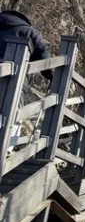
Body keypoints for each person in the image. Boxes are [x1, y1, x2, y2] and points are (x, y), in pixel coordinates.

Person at [0, 10, 52, 148]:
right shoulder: (29, 32)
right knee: (12, 118)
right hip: (14, 85)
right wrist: (53, 77)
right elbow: (44, 58)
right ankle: (5, 155)